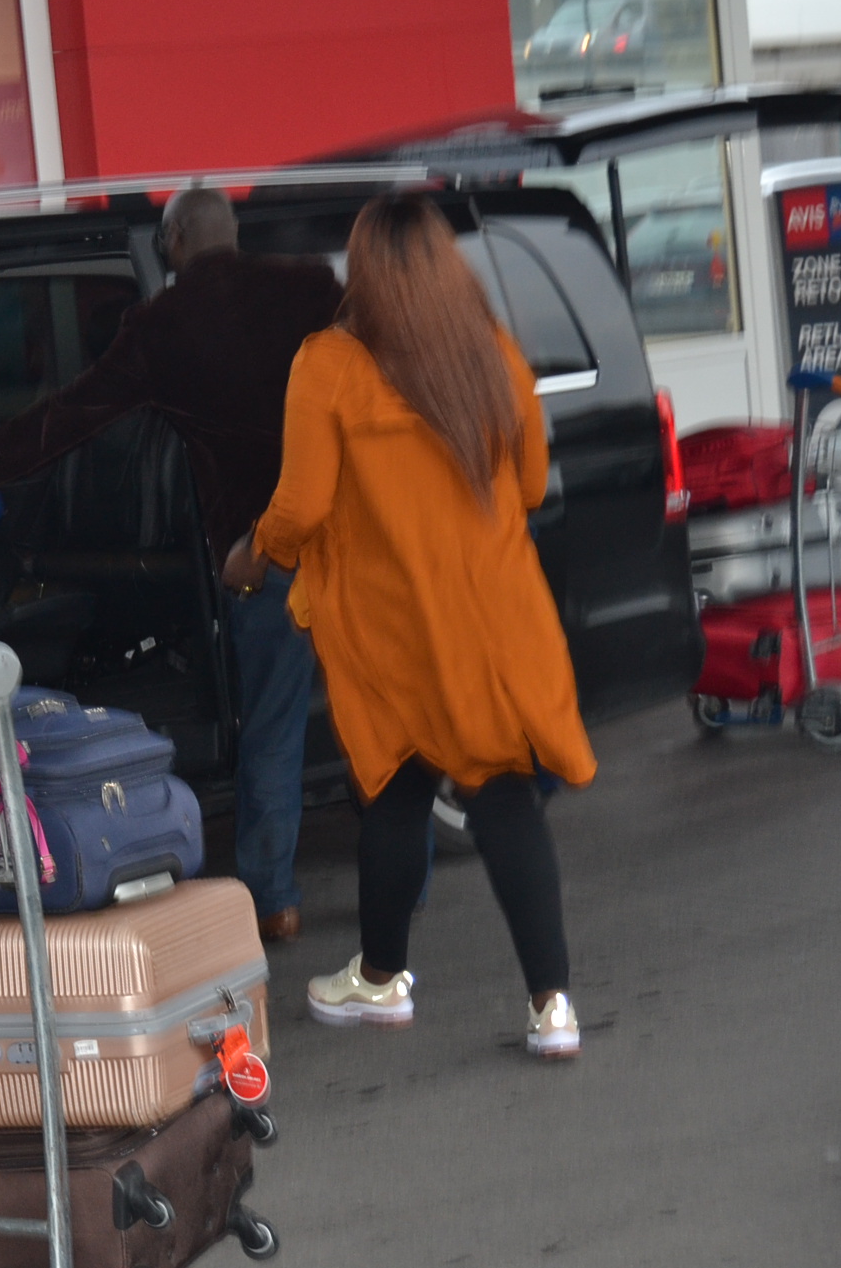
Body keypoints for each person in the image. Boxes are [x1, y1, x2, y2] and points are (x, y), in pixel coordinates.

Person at [221, 194, 594, 1060]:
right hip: (497, 620)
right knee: (502, 797)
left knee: (394, 787)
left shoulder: (329, 364)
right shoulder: (492, 356)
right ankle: (553, 1008)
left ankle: (383, 980)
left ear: (365, 273)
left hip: (397, 630)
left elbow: (303, 504)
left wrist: (253, 553)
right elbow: (533, 483)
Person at [0, 187, 342, 944]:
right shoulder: (312, 286)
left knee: (274, 726)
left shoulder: (163, 327)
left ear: (176, 240)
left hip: (265, 554)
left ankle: (275, 900)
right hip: (351, 539)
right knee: (379, 712)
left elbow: (74, 413)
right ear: (233, 230)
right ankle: (398, 879)